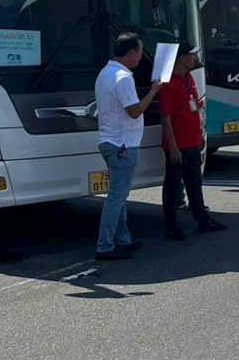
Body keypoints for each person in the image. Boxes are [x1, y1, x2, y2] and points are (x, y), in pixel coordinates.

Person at [92, 32, 164, 261]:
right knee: (116, 197)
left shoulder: (106, 72)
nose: (141, 57)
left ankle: (123, 239)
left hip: (110, 141)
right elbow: (133, 111)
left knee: (119, 195)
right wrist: (154, 91)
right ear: (132, 52)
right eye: (140, 51)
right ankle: (105, 246)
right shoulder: (123, 77)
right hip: (122, 144)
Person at [159, 47, 227, 239]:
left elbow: (192, 105)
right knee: (173, 186)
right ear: (181, 58)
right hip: (178, 144)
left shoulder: (188, 78)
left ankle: (202, 219)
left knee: (194, 182)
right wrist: (172, 147)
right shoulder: (168, 83)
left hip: (193, 140)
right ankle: (171, 226)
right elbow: (166, 118)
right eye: (191, 55)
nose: (195, 59)